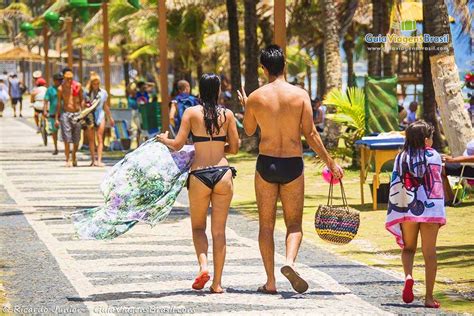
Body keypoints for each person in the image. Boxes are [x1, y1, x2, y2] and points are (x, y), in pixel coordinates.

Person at [237, 45, 342, 294]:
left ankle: (270, 282)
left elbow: (249, 131)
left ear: (264, 69)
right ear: (284, 66)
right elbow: (311, 133)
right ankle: (290, 262)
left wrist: (247, 106)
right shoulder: (300, 95)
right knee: (294, 224)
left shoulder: (256, 97)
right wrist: (330, 162)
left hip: (266, 164)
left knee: (266, 225)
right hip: (292, 164)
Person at [156, 73, 239, 294]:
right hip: (223, 173)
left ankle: (203, 267)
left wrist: (164, 139)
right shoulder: (228, 114)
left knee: (198, 227)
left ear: (199, 91)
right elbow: (236, 147)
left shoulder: (191, 113)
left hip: (199, 174)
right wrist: (220, 148)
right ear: (219, 91)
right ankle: (218, 283)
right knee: (219, 231)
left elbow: (177, 144)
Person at [386, 120, 445, 309]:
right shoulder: (434, 156)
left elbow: (396, 184)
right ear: (426, 140)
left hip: (407, 209)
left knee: (409, 248)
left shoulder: (401, 157)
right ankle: (428, 298)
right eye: (431, 137)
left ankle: (409, 276)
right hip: (430, 210)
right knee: (429, 253)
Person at [86, 74, 114, 167]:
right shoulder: (87, 93)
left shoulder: (103, 93)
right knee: (91, 139)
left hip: (100, 115)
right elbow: (83, 104)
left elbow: (105, 106)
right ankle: (93, 160)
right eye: (94, 83)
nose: (96, 85)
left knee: (100, 138)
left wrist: (110, 117)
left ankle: (99, 160)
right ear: (91, 84)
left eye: (97, 83)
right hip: (90, 116)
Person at [56, 70, 83, 167]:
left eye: (71, 79)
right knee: (66, 138)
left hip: (76, 114)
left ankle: (74, 155)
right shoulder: (60, 89)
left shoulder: (78, 87)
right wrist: (56, 118)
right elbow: (59, 104)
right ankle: (67, 159)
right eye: (67, 79)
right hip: (66, 114)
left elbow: (81, 100)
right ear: (64, 78)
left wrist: (83, 114)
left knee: (76, 138)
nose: (69, 81)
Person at [441, 139, 474, 204]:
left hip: (469, 167)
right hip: (465, 164)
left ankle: (448, 200)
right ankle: (451, 199)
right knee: (441, 165)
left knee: (441, 168)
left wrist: (453, 160)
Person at [43, 73, 63, 155]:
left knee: (65, 130)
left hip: (64, 112)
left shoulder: (64, 88)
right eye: (58, 80)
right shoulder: (50, 90)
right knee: (54, 131)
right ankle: (56, 147)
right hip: (53, 113)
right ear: (54, 81)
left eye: (61, 80)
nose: (60, 81)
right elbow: (46, 101)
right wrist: (45, 110)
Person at [127, 82, 141, 147]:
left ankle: (138, 144)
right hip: (132, 113)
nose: (135, 91)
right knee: (134, 129)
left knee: (139, 129)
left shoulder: (137, 96)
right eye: (134, 90)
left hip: (137, 113)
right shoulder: (130, 98)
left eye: (135, 89)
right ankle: (133, 144)